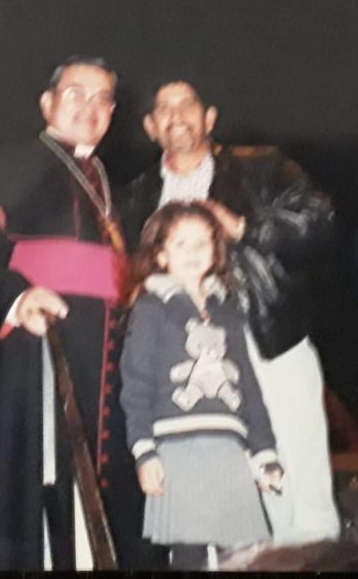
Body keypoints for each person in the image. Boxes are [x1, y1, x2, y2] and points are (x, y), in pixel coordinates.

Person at [0, 56, 147, 570]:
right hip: (35, 355)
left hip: (109, 363)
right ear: (47, 103)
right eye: (76, 94)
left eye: (102, 99)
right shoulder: (12, 163)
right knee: (33, 494)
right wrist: (18, 297)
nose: (89, 107)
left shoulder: (110, 183)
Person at [121, 80, 341, 546]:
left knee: (298, 459)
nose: (176, 115)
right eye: (163, 108)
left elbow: (319, 219)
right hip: (191, 361)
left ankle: (316, 553)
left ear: (209, 117)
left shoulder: (262, 165)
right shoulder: (137, 195)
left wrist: (244, 226)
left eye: (187, 104)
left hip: (267, 334)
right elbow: (132, 272)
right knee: (237, 478)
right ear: (150, 126)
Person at [120, 201, 283, 570]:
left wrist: (264, 452)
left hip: (229, 446)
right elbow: (136, 384)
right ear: (161, 255)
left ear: (216, 250)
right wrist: (144, 452)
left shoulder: (228, 312)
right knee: (191, 547)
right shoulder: (151, 309)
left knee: (246, 551)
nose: (193, 252)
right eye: (181, 244)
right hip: (177, 448)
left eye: (202, 243)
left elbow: (249, 388)